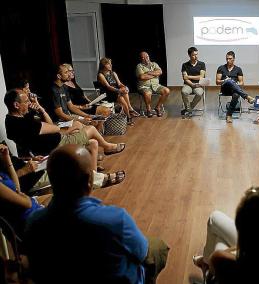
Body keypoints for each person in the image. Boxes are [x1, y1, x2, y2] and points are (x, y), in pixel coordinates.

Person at [23, 144, 149, 283]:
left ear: (51, 181)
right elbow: (142, 253)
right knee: (157, 250)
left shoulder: (34, 223)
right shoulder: (116, 219)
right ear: (90, 182)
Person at [4, 89, 125, 158]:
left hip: (52, 142)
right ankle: (108, 147)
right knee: (90, 130)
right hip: (54, 147)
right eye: (26, 101)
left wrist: (41, 109)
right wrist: (69, 130)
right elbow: (54, 128)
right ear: (16, 105)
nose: (29, 104)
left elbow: (49, 125)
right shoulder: (22, 123)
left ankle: (91, 175)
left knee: (92, 142)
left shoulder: (12, 120)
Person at [0, 144, 47, 236]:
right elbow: (27, 203)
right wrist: (23, 196)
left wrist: (7, 158)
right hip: (30, 219)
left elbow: (17, 188)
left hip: (30, 210)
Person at [216, 51, 255, 124]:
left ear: (234, 59)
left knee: (236, 95)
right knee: (229, 81)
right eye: (227, 58)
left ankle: (229, 115)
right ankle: (246, 97)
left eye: (230, 59)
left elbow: (242, 83)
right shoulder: (221, 68)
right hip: (225, 89)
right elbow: (217, 82)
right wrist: (225, 80)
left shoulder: (238, 69)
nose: (228, 60)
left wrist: (235, 83)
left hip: (234, 90)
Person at [98, 57, 139, 125]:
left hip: (115, 92)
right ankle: (129, 113)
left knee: (124, 92)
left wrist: (124, 87)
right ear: (103, 65)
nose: (111, 65)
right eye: (108, 64)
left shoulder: (113, 73)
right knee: (122, 97)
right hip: (107, 94)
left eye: (111, 64)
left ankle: (129, 113)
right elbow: (108, 87)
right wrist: (119, 90)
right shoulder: (101, 75)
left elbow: (119, 84)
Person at [136, 51, 170, 118]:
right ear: (141, 59)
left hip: (156, 85)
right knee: (147, 93)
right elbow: (142, 77)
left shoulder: (154, 64)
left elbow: (160, 72)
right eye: (143, 58)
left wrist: (148, 72)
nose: (146, 59)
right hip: (144, 86)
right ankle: (149, 109)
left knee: (167, 91)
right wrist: (154, 74)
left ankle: (158, 107)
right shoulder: (139, 66)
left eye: (147, 57)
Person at [180, 46, 206, 117]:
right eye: (194, 55)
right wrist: (192, 84)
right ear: (189, 55)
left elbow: (201, 77)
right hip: (188, 84)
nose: (196, 56)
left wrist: (189, 76)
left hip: (198, 84)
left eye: (197, 54)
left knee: (199, 93)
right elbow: (185, 79)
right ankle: (189, 110)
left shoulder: (202, 64)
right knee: (183, 92)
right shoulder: (184, 65)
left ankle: (188, 109)